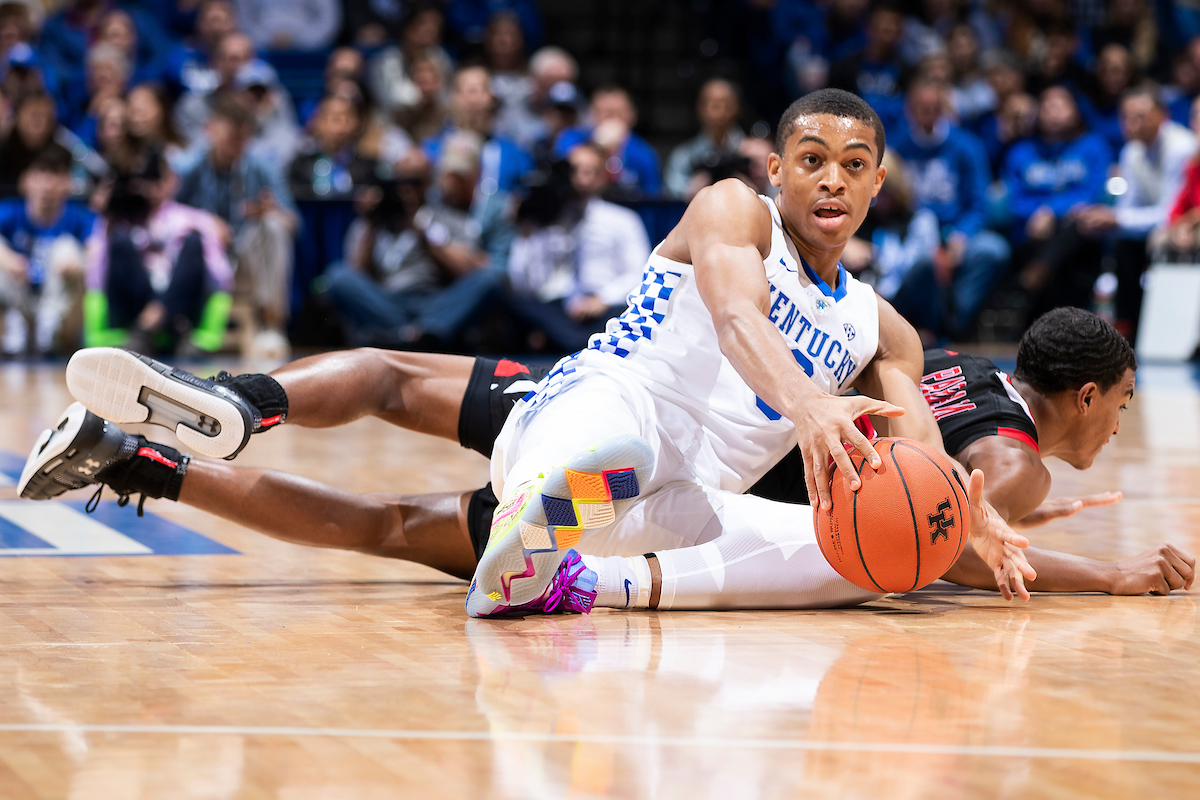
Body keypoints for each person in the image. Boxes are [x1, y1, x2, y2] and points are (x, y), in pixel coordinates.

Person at [23, 90, 1042, 617]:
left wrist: (973, 521)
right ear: (778, 169)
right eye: (811, 161)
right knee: (605, 450)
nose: (830, 181)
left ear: (877, 185)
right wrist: (810, 405)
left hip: (665, 501)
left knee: (860, 567)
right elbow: (738, 317)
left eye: (853, 167)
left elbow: (919, 464)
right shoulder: (737, 211)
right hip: (601, 409)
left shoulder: (884, 328)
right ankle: (538, 530)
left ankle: (560, 577)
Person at [324, 131, 512, 348]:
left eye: (415, 182)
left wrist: (420, 233)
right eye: (401, 180)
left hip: (434, 300)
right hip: (388, 301)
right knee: (337, 277)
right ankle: (416, 335)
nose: (407, 189)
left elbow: (467, 271)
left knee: (488, 280)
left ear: (428, 183)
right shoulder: (374, 221)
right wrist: (371, 224)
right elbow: (357, 272)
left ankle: (415, 333)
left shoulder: (447, 217)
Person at [1071, 84, 1197, 340]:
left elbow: (1171, 210)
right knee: (1118, 242)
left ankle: (1169, 334)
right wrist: (1108, 216)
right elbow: (1130, 207)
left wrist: (1117, 218)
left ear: (1162, 115)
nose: (1132, 123)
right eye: (1126, 117)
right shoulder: (1132, 151)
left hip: (1176, 223)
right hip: (1166, 222)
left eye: (1140, 116)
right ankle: (1128, 331)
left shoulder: (1182, 147)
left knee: (1152, 239)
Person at [174, 95, 298, 350]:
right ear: (212, 129)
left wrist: (271, 211)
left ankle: (272, 325)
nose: (236, 146)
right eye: (230, 138)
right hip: (208, 256)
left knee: (273, 226)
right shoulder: (190, 166)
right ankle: (180, 326)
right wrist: (206, 222)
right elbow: (166, 213)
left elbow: (295, 224)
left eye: (242, 140)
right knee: (189, 236)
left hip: (247, 257)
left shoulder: (262, 167)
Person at [891, 78, 1010, 341]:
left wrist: (961, 236)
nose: (928, 112)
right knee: (919, 261)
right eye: (922, 106)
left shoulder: (966, 146)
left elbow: (980, 203)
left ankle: (953, 322)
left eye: (935, 106)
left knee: (993, 250)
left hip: (956, 229)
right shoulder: (896, 147)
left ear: (944, 107)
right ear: (909, 108)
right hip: (911, 231)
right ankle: (910, 327)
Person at [504, 142, 649, 352]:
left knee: (616, 317)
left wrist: (602, 299)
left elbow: (639, 274)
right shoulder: (546, 221)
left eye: (589, 172)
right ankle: (573, 341)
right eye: (573, 171)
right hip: (558, 310)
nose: (580, 179)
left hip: (606, 308)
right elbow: (524, 284)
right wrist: (526, 232)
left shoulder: (623, 220)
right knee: (510, 301)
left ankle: (574, 342)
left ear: (603, 177)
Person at [84, 150, 232, 355]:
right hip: (135, 304)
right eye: (144, 181)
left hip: (180, 305)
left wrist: (212, 237)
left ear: (172, 181)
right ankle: (156, 326)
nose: (150, 189)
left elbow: (221, 276)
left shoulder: (195, 219)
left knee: (194, 242)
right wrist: (106, 220)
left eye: (157, 180)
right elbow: (95, 279)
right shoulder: (119, 219)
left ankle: (150, 325)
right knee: (119, 242)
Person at [1002, 86, 1113, 321]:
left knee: (1076, 225)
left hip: (1078, 233)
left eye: (1061, 105)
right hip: (1030, 232)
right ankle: (1039, 274)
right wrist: (1039, 213)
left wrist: (1052, 211)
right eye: (1048, 106)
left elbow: (1093, 192)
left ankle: (1036, 274)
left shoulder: (1093, 145)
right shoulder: (1021, 151)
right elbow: (1013, 198)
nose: (1054, 112)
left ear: (1075, 110)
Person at [0, 145, 94, 356]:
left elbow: (96, 252)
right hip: (21, 297)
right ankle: (15, 328)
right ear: (25, 180)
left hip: (59, 306)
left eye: (56, 175)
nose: (48, 184)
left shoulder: (79, 218)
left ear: (68, 183)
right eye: (41, 173)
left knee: (67, 248)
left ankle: (50, 333)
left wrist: (77, 264)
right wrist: (8, 260)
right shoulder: (9, 211)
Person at [424, 65, 535, 195]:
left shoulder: (515, 154)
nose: (474, 99)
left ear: (493, 99)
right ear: (453, 98)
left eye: (482, 89)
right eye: (467, 91)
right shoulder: (430, 152)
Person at [554, 85, 661, 197]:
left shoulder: (643, 153)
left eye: (617, 113)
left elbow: (652, 196)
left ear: (631, 115)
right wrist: (596, 147)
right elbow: (560, 175)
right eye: (603, 112)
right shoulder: (572, 138)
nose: (610, 119)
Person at [663, 78, 746, 200]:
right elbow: (673, 197)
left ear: (737, 107)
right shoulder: (683, 156)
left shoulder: (752, 153)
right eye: (713, 104)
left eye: (726, 103)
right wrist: (691, 191)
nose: (719, 110)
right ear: (700, 108)